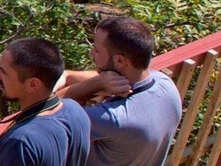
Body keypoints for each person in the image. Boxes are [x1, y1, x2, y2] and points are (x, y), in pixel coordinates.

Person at [0, 37, 91, 166]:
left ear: (33, 84)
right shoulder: (75, 110)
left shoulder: (20, 141)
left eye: (3, 71)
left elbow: (27, 147)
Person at [55, 16, 182, 166]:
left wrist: (95, 84)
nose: (91, 54)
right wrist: (68, 75)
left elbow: (41, 112)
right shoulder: (165, 85)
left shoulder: (111, 118)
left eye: (96, 50)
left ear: (120, 61)